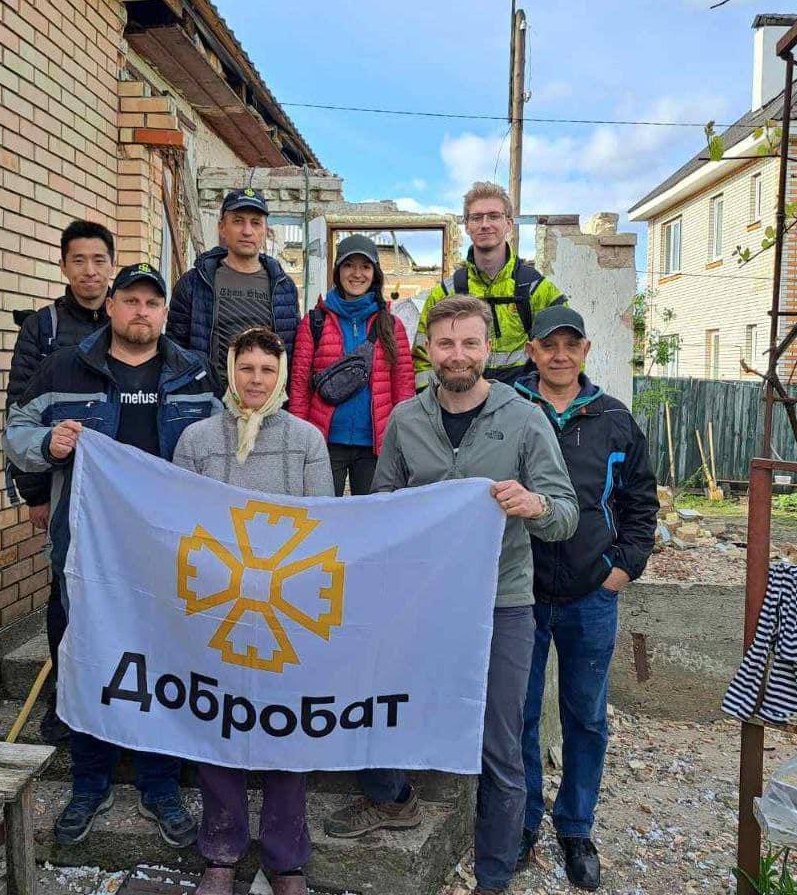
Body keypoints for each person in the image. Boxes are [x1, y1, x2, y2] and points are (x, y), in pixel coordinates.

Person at [323, 295, 579, 895]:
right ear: (428, 350)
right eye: (445, 343)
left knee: (500, 740)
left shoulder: (524, 418)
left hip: (501, 603)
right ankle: (389, 797)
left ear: (488, 349)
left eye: (469, 343)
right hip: (421, 602)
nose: (457, 355)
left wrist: (534, 505)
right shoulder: (408, 422)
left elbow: (566, 513)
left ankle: (493, 874)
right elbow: (385, 508)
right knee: (383, 703)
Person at [4, 263, 220, 850]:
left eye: (153, 302)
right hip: (87, 548)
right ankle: (89, 782)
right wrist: (47, 444)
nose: (141, 312)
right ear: (113, 306)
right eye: (131, 300)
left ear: (163, 312)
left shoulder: (193, 371)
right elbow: (16, 432)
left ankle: (159, 784)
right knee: (89, 659)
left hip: (168, 552)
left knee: (164, 662)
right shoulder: (65, 366)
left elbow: (222, 446)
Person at [173, 326, 333, 895]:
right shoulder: (195, 440)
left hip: (284, 608)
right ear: (230, 373)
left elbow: (320, 525)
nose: (257, 380)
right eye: (247, 369)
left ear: (282, 374)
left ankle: (286, 857)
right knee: (221, 723)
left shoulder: (307, 441)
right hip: (219, 607)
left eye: (267, 370)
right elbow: (185, 524)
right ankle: (220, 851)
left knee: (285, 729)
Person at [514, 306, 657, 891]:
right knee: (517, 716)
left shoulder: (614, 420)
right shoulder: (509, 409)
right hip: (519, 594)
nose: (560, 355)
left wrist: (621, 570)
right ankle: (521, 823)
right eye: (550, 345)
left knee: (586, 717)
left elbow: (640, 505)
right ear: (532, 349)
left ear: (586, 351)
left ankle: (575, 827)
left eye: (571, 345)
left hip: (589, 595)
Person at [3, 219, 114, 745]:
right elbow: (18, 414)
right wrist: (32, 493)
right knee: (64, 592)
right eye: (79, 261)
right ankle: (64, 701)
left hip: (121, 499)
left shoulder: (134, 319)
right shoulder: (43, 329)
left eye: (98, 261)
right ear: (64, 265)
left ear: (111, 266)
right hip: (65, 490)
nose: (89, 271)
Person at [289, 233, 413, 494]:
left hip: (375, 444)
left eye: (365, 266)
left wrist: (402, 437)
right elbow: (299, 386)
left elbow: (403, 387)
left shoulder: (391, 325)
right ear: (337, 271)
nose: (357, 274)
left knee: (371, 521)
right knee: (322, 516)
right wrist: (300, 438)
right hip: (324, 442)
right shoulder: (314, 322)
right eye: (349, 265)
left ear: (375, 273)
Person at [412, 182, 567, 390]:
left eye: (494, 216)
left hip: (523, 408)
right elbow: (423, 361)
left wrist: (551, 405)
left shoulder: (536, 290)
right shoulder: (445, 294)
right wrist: (436, 407)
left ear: (509, 224)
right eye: (476, 217)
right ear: (466, 225)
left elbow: (567, 352)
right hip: (463, 406)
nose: (485, 224)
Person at [167, 188, 300, 387]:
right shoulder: (195, 283)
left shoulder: (283, 287)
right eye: (238, 221)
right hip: (210, 401)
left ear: (265, 231)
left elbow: (291, 353)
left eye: (256, 223)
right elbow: (174, 351)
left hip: (265, 401)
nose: (247, 231)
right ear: (222, 228)